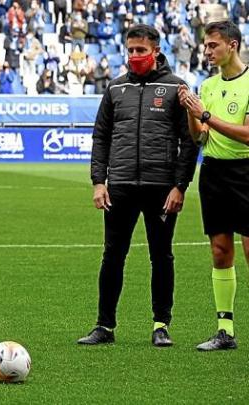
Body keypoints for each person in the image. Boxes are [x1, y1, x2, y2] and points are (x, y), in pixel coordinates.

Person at [78, 24, 198, 347]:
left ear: (156, 51)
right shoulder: (115, 89)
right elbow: (100, 137)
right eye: (130, 50)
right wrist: (98, 182)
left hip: (162, 188)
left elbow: (190, 142)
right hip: (120, 187)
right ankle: (105, 326)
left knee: (161, 257)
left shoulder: (176, 88)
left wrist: (180, 186)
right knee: (112, 255)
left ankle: (161, 325)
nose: (134, 56)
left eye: (141, 51)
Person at [178, 21, 249, 351]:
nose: (206, 51)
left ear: (232, 46)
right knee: (221, 251)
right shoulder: (206, 86)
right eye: (205, 46)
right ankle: (225, 331)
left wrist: (205, 115)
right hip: (214, 173)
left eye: (212, 46)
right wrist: (192, 115)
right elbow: (200, 138)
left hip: (246, 172)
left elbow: (248, 135)